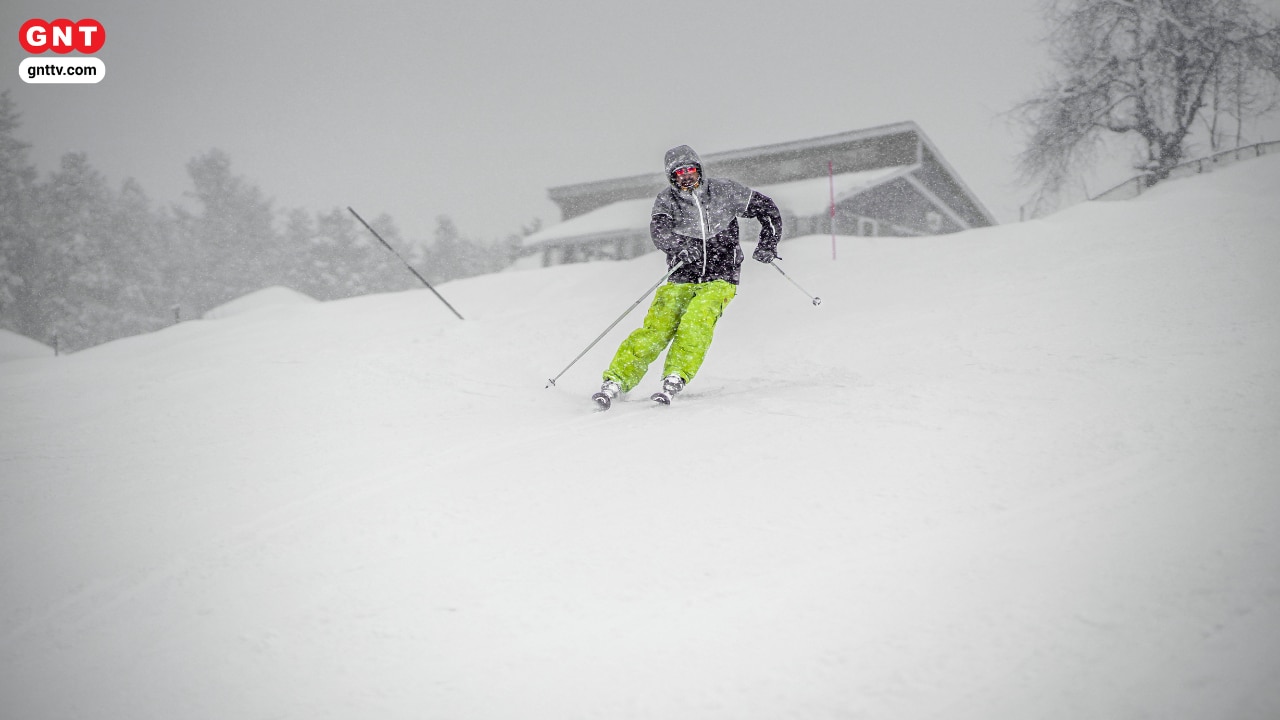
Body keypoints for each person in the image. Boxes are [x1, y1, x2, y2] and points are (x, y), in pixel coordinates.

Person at [593, 144, 783, 408]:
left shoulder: (725, 191)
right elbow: (659, 231)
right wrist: (678, 245)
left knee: (696, 321)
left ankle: (676, 374)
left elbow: (767, 209)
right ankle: (616, 379)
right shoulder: (666, 200)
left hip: (721, 275)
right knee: (657, 329)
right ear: (672, 177)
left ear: (699, 170)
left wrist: (768, 244)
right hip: (682, 275)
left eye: (690, 170)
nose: (686, 177)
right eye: (679, 173)